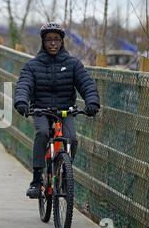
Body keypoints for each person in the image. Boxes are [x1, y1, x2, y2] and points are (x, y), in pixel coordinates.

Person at [14, 22, 100, 199]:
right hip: (41, 109)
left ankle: (63, 170)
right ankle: (37, 181)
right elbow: (24, 84)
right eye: (48, 40)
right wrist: (21, 101)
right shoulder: (33, 65)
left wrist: (92, 102)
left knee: (72, 139)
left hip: (65, 111)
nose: (52, 43)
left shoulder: (73, 64)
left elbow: (86, 84)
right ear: (43, 42)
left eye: (56, 40)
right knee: (43, 133)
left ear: (62, 42)